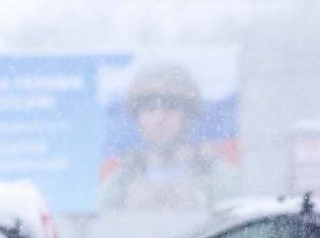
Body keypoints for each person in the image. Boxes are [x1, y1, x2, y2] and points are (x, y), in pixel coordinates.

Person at [99, 63, 241, 212]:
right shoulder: (119, 185)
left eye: (171, 107)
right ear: (138, 118)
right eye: (150, 109)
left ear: (189, 115)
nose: (159, 118)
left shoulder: (221, 178)